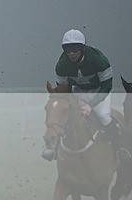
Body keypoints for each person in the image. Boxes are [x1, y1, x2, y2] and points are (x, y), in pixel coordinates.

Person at [44, 28, 130, 161]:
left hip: (100, 90)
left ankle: (120, 149)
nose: (71, 54)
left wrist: (91, 105)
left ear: (82, 48)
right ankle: (54, 150)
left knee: (103, 116)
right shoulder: (61, 65)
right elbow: (63, 90)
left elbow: (107, 86)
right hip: (79, 91)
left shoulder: (98, 59)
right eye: (68, 50)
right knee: (68, 117)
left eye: (75, 50)